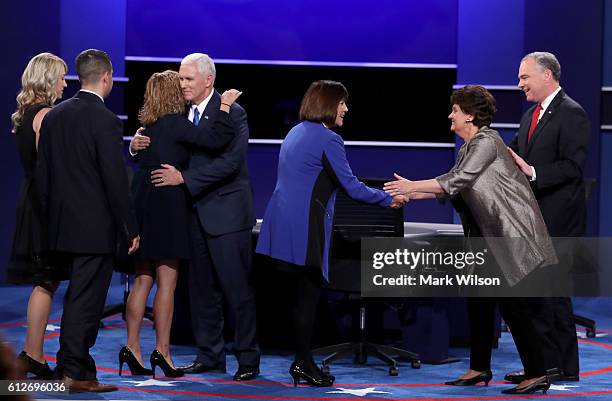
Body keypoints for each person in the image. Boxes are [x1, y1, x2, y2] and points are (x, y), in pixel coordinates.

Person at [384, 85, 557, 395]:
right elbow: (451, 187)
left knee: (514, 307)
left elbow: (456, 180)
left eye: (455, 110)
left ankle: (537, 373)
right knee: (478, 303)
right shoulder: (469, 147)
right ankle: (479, 368)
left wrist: (411, 188)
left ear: (470, 115)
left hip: (509, 235)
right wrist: (407, 193)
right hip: (484, 237)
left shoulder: (487, 142)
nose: (450, 114)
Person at [256, 80, 404, 387]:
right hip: (305, 227)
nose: (346, 109)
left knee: (301, 297)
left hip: (281, 225)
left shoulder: (294, 132)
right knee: (307, 297)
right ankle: (303, 364)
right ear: (328, 104)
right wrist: (389, 198)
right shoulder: (329, 139)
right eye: (342, 104)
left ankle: (303, 362)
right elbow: (350, 187)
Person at [133, 53, 261, 381]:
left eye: (189, 79)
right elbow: (165, 145)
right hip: (191, 214)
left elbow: (230, 163)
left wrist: (184, 180)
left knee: (236, 289)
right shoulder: (179, 113)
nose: (182, 84)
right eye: (180, 78)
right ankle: (210, 355)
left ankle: (248, 359)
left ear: (208, 80)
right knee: (202, 292)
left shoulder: (233, 113)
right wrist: (137, 144)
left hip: (227, 214)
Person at [36, 49, 139, 393]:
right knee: (87, 301)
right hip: (95, 229)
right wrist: (130, 226)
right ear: (107, 77)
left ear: (80, 76)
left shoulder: (54, 116)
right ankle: (75, 372)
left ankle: (70, 365)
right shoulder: (106, 121)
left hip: (61, 226)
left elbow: (44, 177)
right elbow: (114, 180)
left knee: (76, 299)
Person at [505, 51, 588, 384]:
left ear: (547, 75)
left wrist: (534, 171)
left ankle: (562, 366)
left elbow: (572, 166)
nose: (520, 83)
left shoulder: (572, 114)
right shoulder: (530, 116)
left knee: (553, 294)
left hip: (559, 220)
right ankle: (543, 365)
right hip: (533, 219)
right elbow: (514, 156)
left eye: (525, 77)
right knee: (538, 295)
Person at [8, 52, 67, 379]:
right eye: (60, 76)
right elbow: (50, 168)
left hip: (31, 198)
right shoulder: (45, 115)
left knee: (45, 280)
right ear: (47, 79)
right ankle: (33, 353)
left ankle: (32, 352)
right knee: (46, 279)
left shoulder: (25, 113)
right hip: (44, 203)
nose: (63, 83)